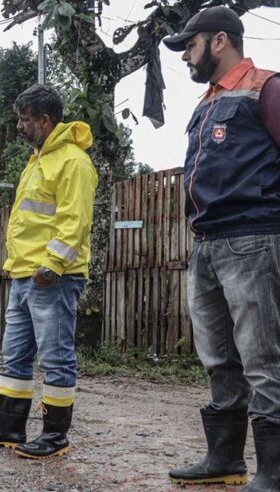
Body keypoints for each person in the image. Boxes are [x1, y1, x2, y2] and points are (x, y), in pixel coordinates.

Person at [162, 7, 280, 489]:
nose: (186, 57)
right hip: (206, 243)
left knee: (262, 357)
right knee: (218, 356)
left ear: (218, 41)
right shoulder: (207, 102)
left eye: (190, 46)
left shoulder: (265, 88)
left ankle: (273, 471)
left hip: (254, 238)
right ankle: (225, 458)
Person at [0, 85, 97, 459]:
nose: (20, 127)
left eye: (25, 120)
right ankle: (10, 427)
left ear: (45, 120)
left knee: (55, 356)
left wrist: (52, 265)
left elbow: (75, 222)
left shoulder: (72, 161)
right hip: (26, 273)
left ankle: (55, 437)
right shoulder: (39, 159)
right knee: (15, 356)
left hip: (51, 276)